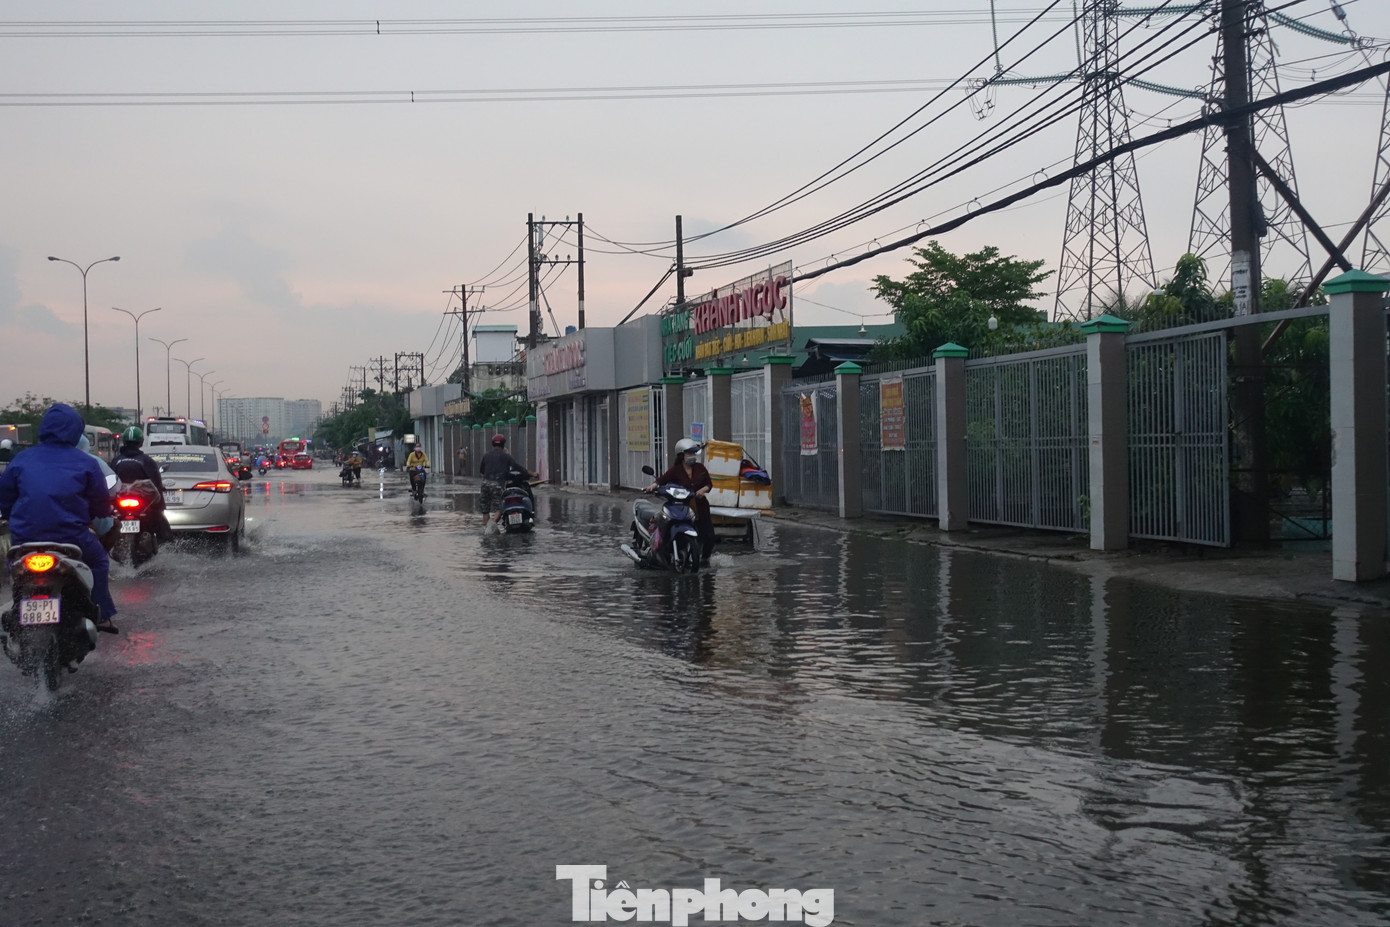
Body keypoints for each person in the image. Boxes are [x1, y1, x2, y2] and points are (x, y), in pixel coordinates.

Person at [0, 404, 120, 631]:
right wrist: (102, 513)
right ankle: (102, 614)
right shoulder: (86, 462)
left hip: (25, 537)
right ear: (76, 431)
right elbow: (101, 502)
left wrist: (10, 516)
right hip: (71, 536)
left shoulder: (22, 459)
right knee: (99, 562)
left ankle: (18, 606)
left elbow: (5, 496)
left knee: (13, 566)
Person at [645, 438, 715, 564]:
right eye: (689, 453)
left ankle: (705, 559)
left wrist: (702, 490)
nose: (692, 456)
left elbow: (709, 484)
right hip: (683, 506)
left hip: (701, 507)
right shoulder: (676, 470)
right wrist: (652, 486)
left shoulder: (700, 468)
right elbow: (662, 480)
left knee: (709, 536)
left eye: (693, 453)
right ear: (682, 455)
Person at [111, 427, 175, 542]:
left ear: (124, 442)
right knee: (164, 530)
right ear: (141, 442)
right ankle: (168, 546)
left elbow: (108, 481)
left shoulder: (116, 460)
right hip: (140, 503)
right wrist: (160, 506)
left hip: (122, 502)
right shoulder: (147, 461)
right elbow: (156, 484)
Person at [478, 434, 532, 534]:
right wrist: (532, 473)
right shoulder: (506, 457)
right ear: (503, 444)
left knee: (485, 510)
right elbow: (517, 467)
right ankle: (492, 526)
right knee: (499, 508)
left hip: (485, 484)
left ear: (493, 444)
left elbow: (481, 470)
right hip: (498, 484)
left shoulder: (486, 455)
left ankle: (487, 530)